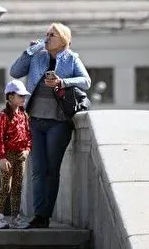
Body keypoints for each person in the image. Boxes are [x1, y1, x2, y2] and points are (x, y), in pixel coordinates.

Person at [9, 22, 91, 229]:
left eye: (52, 35)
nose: (47, 38)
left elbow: (86, 82)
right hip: (35, 120)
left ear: (62, 40)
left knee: (51, 170)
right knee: (37, 169)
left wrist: (62, 82)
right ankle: (38, 214)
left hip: (59, 122)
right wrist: (29, 51)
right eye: (46, 34)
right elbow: (15, 72)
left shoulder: (71, 58)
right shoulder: (38, 56)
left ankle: (45, 215)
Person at [0, 79, 33, 230]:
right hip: (7, 156)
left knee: (17, 187)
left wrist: (27, 150)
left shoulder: (24, 115)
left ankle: (16, 217)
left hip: (20, 155)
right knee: (5, 187)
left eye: (24, 96)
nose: (23, 98)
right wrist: (2, 157)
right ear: (10, 97)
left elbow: (28, 135)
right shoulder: (3, 116)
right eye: (20, 96)